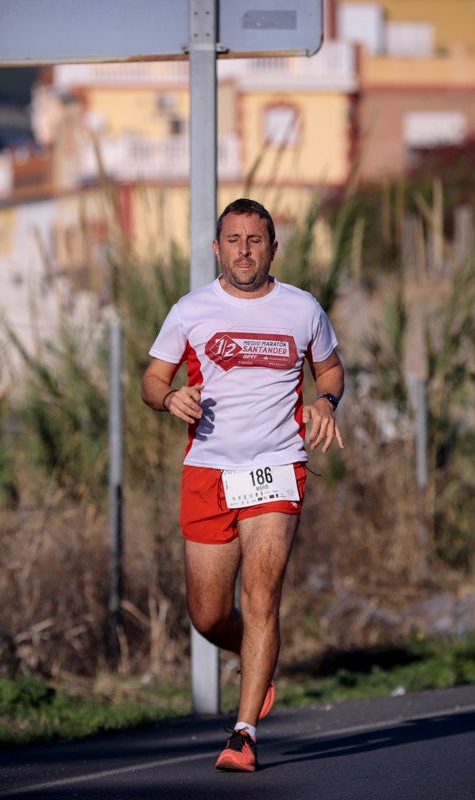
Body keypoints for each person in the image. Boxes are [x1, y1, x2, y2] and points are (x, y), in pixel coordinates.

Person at [140, 198, 344, 772]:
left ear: (273, 247)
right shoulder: (191, 310)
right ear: (216, 248)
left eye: (256, 240)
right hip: (208, 471)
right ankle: (255, 655)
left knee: (261, 596)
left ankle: (244, 733)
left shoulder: (302, 309)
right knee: (207, 614)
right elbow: (152, 380)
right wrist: (168, 396)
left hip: (277, 467)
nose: (245, 250)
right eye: (234, 240)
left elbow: (330, 369)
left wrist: (324, 400)